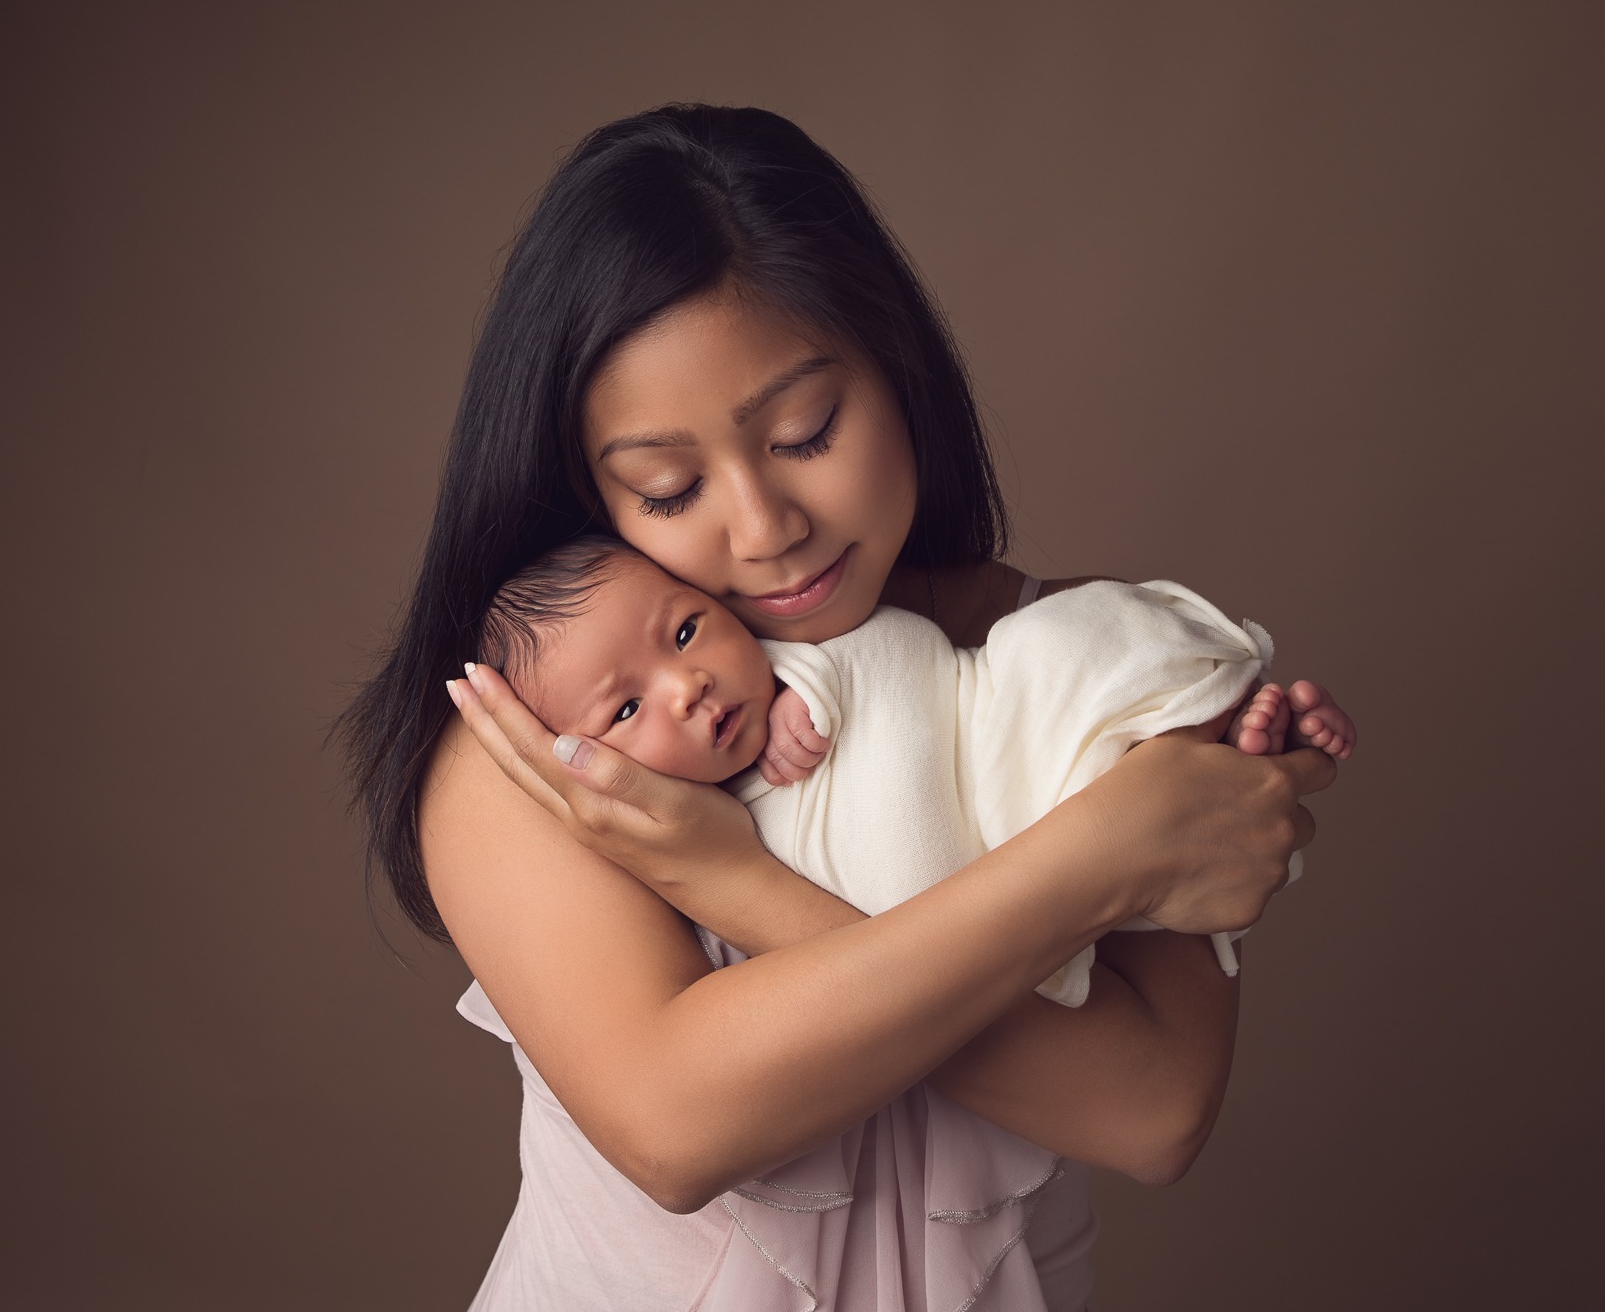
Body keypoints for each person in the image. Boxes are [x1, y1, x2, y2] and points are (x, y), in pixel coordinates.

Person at [340, 103, 1337, 1311]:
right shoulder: (547, 729)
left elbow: (1148, 1109)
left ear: (895, 367)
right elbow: (675, 1123)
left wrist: (745, 890)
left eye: (805, 431)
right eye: (667, 488)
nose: (765, 531)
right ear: (583, 486)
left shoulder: (1090, 656)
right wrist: (1102, 857)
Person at [467, 534, 1354, 999]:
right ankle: (1234, 746)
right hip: (1009, 861)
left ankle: (1218, 709)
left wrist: (804, 692)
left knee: (1062, 665)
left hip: (986, 737)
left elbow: (857, 653)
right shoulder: (655, 849)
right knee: (1120, 845)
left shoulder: (799, 656)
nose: (689, 684)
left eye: (689, 629)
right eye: (626, 710)